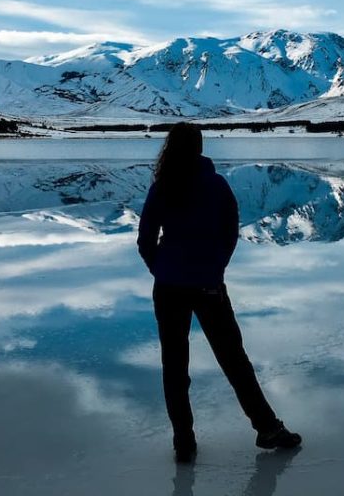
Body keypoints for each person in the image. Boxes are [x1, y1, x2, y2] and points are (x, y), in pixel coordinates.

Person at [138, 122, 302, 463]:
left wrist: (162, 269)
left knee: (174, 364)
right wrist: (214, 270)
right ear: (199, 148)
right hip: (207, 285)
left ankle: (184, 440)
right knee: (234, 360)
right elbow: (230, 233)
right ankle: (267, 428)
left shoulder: (162, 187)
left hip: (168, 287)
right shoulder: (216, 185)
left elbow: (145, 240)